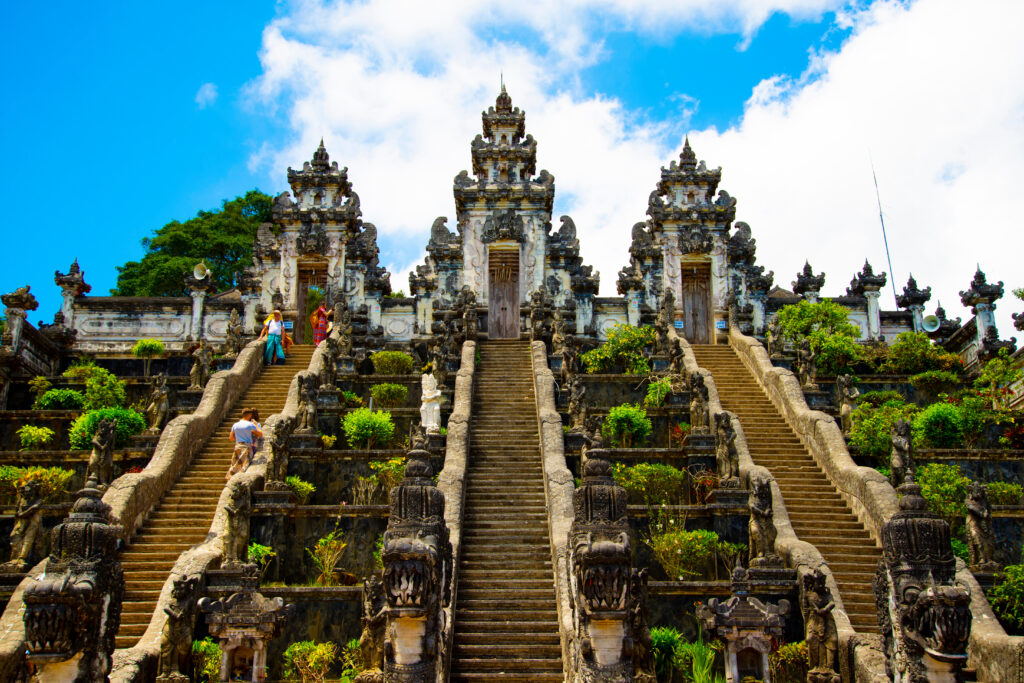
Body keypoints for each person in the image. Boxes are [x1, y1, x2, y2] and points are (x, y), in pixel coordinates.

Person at [227, 409, 262, 481]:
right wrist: (256, 424)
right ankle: (235, 479)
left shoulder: (235, 425)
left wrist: (240, 437)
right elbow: (260, 434)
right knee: (244, 465)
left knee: (235, 464)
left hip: (237, 446)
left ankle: (230, 477)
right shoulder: (250, 424)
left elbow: (231, 438)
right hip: (246, 447)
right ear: (249, 415)